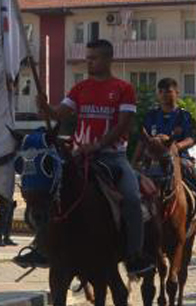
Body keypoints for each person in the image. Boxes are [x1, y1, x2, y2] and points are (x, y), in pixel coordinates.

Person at [20, 39, 150, 273]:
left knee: (131, 199)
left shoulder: (123, 88)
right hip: (78, 156)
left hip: (113, 158)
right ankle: (41, 246)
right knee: (47, 190)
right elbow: (59, 113)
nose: (89, 62)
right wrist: (44, 106)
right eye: (87, 58)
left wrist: (98, 145)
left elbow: (123, 126)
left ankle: (134, 255)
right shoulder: (80, 88)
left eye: (94, 58)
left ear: (108, 59)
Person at [139, 77, 196, 246]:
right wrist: (134, 162)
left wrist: (175, 147)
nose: (165, 95)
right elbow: (142, 141)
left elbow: (191, 138)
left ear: (177, 93)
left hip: (179, 159)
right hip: (152, 160)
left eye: (169, 91)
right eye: (161, 92)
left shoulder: (184, 115)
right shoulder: (151, 115)